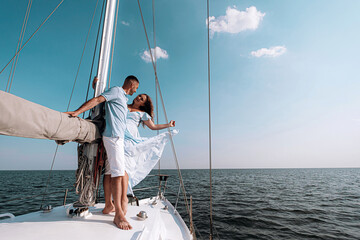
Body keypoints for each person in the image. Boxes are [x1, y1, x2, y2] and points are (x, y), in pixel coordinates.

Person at [65, 75, 139, 230]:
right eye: (136, 88)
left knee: (112, 172)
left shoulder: (123, 98)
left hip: (116, 138)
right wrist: (78, 111)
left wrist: (95, 88)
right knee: (118, 174)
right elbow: (99, 100)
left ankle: (109, 206)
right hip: (113, 137)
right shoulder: (117, 91)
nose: (136, 91)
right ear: (132, 84)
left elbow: (103, 104)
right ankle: (119, 214)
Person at [102, 93, 176, 215]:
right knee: (109, 172)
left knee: (123, 169)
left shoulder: (142, 114)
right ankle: (109, 204)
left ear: (143, 104)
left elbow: (153, 127)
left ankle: (123, 199)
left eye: (142, 99)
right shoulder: (123, 105)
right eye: (139, 96)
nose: (138, 97)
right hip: (114, 137)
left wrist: (168, 125)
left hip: (129, 142)